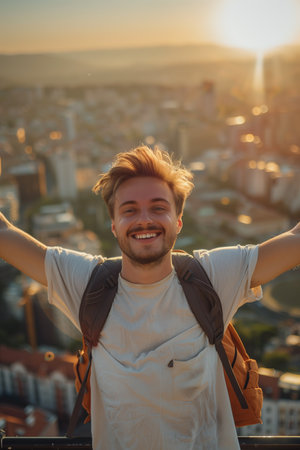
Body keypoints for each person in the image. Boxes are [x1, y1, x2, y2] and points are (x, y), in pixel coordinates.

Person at [0, 145, 299, 450]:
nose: (144, 219)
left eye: (158, 207)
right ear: (114, 225)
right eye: (129, 209)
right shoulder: (87, 284)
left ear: (178, 221)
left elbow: (295, 240)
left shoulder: (212, 277)